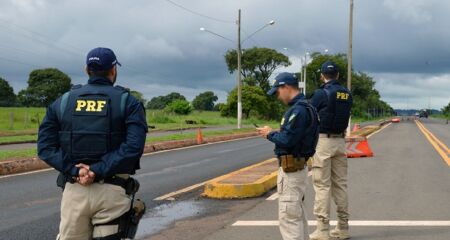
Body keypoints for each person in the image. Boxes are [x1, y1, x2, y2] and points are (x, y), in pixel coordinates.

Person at [38, 47, 148, 240]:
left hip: (74, 191)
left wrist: (76, 171)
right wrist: (97, 169)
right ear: (113, 70)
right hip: (112, 193)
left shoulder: (63, 101)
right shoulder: (128, 102)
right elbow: (133, 147)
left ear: (86, 70)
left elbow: (46, 148)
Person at [257, 72, 319, 240]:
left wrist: (269, 134)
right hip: (299, 167)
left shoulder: (297, 111)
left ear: (286, 87)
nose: (278, 96)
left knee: (289, 220)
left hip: (291, 171)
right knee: (297, 217)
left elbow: (287, 140)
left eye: (278, 91)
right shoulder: (308, 107)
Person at [309, 61, 353, 240]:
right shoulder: (347, 94)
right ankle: (343, 227)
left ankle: (322, 229)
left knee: (322, 186)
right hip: (340, 142)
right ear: (338, 75)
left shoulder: (321, 93)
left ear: (322, 75)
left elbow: (310, 113)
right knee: (340, 185)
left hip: (323, 142)